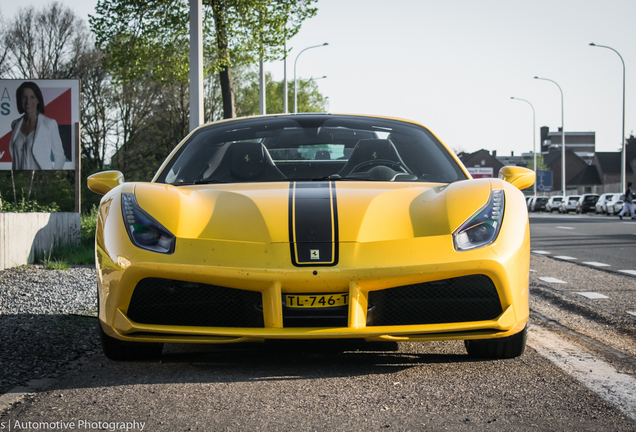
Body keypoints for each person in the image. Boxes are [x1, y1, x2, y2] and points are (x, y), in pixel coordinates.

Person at [9, 81, 66, 170]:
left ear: (38, 99)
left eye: (32, 97)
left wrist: (51, 176)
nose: (28, 101)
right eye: (24, 97)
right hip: (19, 179)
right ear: (20, 99)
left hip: (41, 179)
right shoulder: (15, 124)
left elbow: (60, 156)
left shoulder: (49, 124)